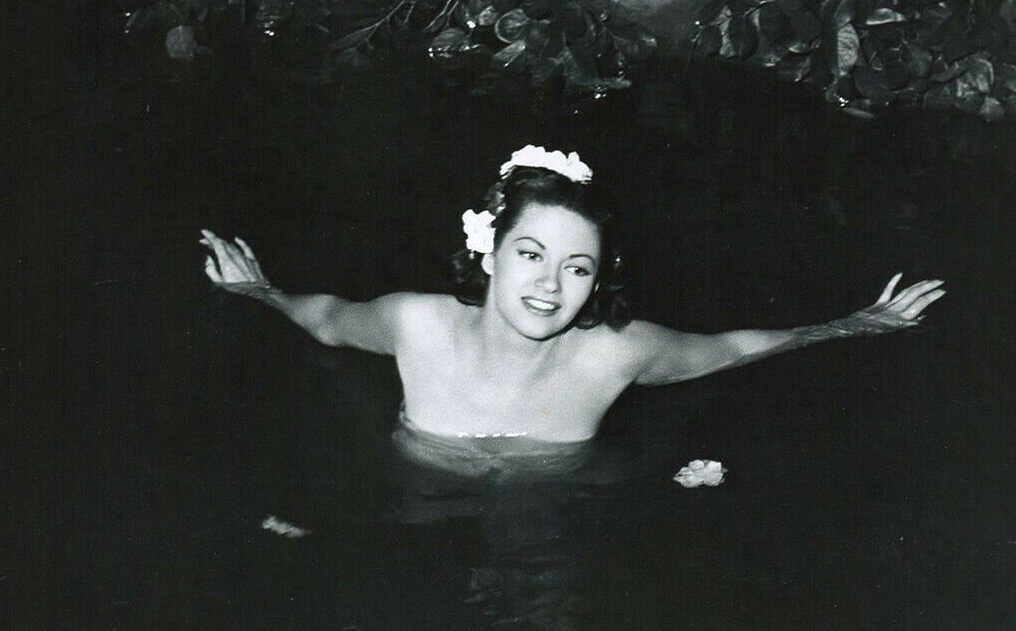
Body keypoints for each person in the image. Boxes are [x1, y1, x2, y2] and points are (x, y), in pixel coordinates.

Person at [201, 144, 944, 451]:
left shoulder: (616, 355)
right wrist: (257, 290)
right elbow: (328, 322)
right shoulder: (416, 324)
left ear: (597, 280)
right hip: (418, 511)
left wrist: (853, 325)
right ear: (489, 252)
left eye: (577, 267)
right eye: (531, 254)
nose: (551, 285)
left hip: (558, 524)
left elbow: (730, 349)